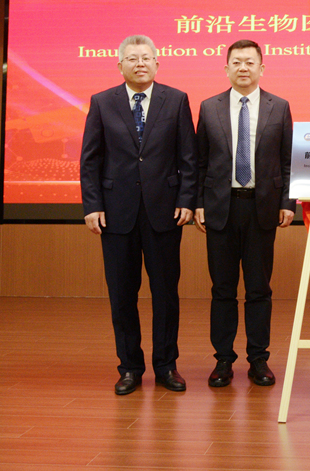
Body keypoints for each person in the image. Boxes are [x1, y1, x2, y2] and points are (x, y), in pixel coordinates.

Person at [80, 34, 197, 395]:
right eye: (132, 58)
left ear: (157, 63)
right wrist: (93, 205)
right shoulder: (102, 102)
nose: (140, 63)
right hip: (116, 214)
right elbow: (90, 160)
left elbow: (189, 157)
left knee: (165, 294)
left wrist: (187, 199)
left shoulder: (176, 100)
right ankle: (130, 367)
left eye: (146, 58)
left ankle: (166, 365)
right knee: (122, 294)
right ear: (120, 65)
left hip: (165, 212)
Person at [195, 39, 295, 388]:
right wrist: (198, 203)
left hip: (261, 208)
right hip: (220, 208)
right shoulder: (209, 107)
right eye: (236, 62)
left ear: (261, 68)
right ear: (226, 69)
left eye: (250, 62)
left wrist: (287, 202)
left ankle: (258, 359)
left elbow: (287, 161)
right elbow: (200, 161)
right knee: (222, 288)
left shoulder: (278, 107)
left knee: (258, 288)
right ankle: (223, 360)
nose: (243, 68)